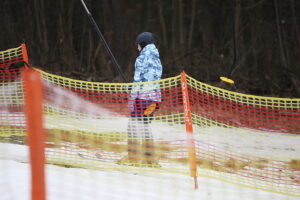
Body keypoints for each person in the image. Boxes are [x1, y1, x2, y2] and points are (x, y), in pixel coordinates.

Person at [121, 32, 163, 167]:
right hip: (154, 100)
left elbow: (138, 81)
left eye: (137, 45)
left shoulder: (141, 59)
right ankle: (150, 160)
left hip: (142, 99)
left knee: (132, 126)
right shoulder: (157, 58)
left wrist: (132, 99)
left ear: (142, 44)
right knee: (145, 126)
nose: (137, 48)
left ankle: (133, 158)